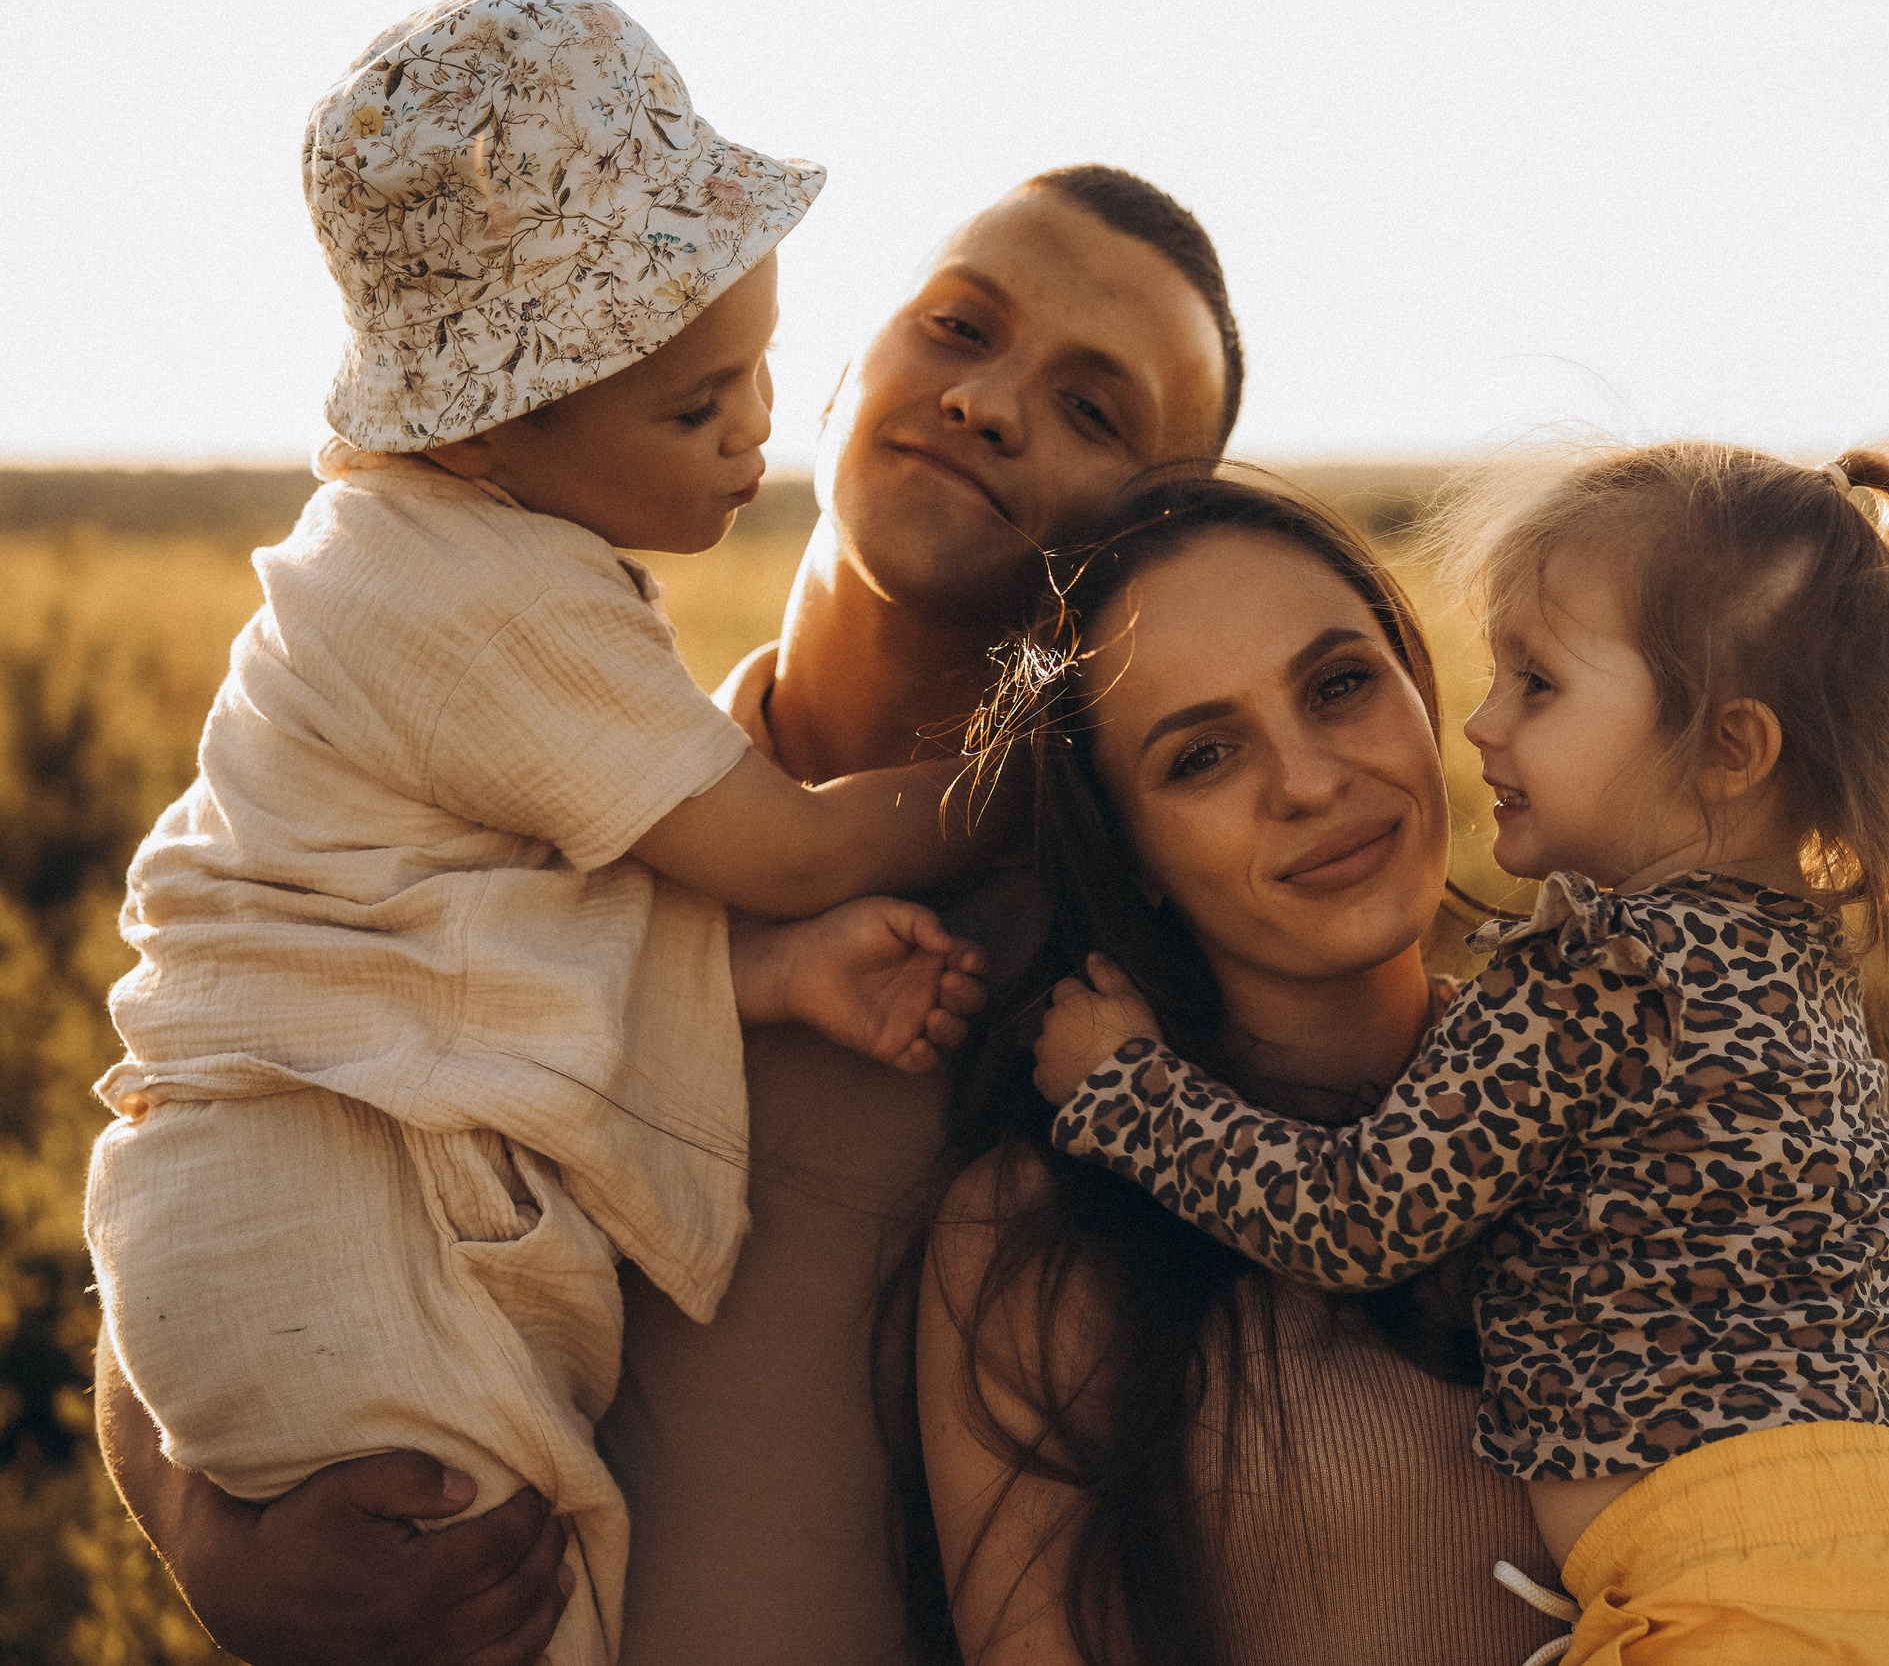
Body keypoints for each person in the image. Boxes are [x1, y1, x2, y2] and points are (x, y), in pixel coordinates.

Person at [93, 161, 1243, 1666]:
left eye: (1094, 408)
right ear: (837, 365)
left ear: (1152, 537)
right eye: (960, 328)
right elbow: (208, 1100)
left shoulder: (1122, 988)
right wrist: (203, 1529)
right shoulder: (484, 787)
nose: (989, 401)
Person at [925, 472, 1889, 1665]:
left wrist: (1129, 1092)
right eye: (1201, 757)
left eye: (1339, 686)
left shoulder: (1615, 1040)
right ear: (1122, 847)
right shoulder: (1037, 1239)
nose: (1312, 781)